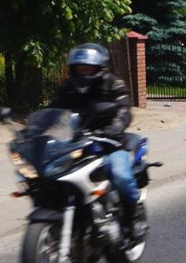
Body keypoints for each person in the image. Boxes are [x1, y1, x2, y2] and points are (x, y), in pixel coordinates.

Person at [50, 43, 142, 239]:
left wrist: (114, 129)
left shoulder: (113, 84)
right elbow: (54, 113)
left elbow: (124, 110)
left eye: (88, 68)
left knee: (121, 176)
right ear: (73, 69)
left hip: (110, 143)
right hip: (76, 143)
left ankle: (131, 220)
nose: (84, 72)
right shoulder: (67, 88)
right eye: (80, 68)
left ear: (100, 68)